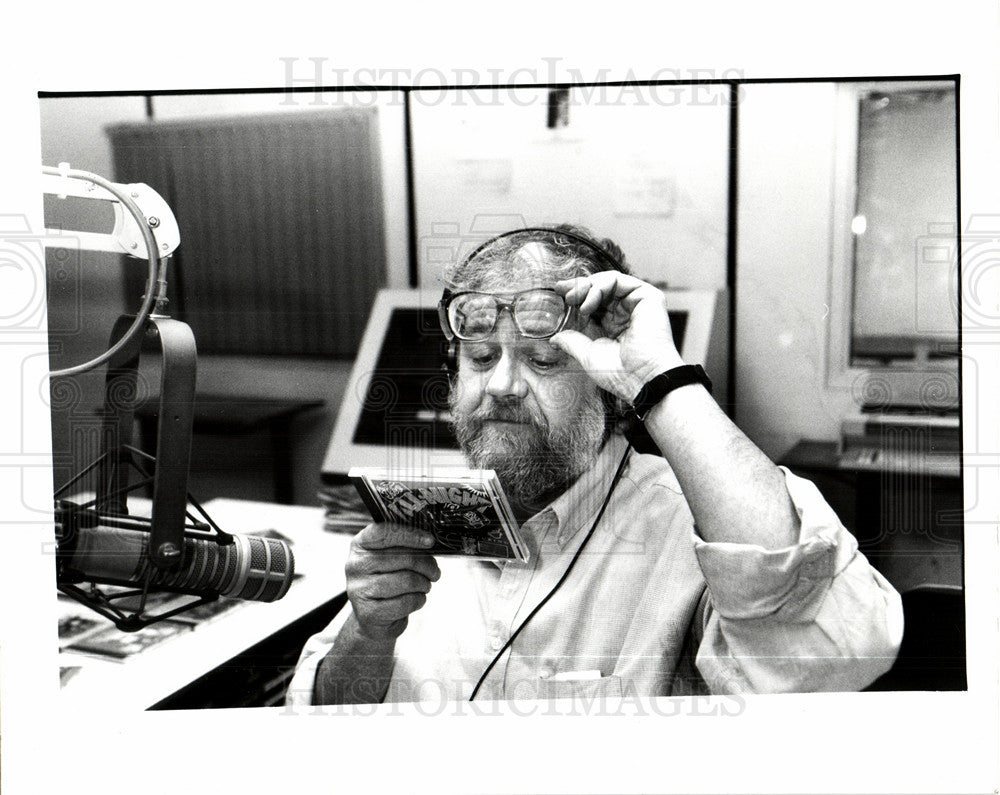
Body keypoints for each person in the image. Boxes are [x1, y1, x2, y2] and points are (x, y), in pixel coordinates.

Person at [287, 225, 903, 706]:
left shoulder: (693, 529)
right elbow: (322, 730)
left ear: (608, 391)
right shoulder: (423, 523)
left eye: (543, 361)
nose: (500, 384)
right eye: (479, 357)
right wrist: (366, 635)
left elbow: (836, 653)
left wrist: (656, 376)